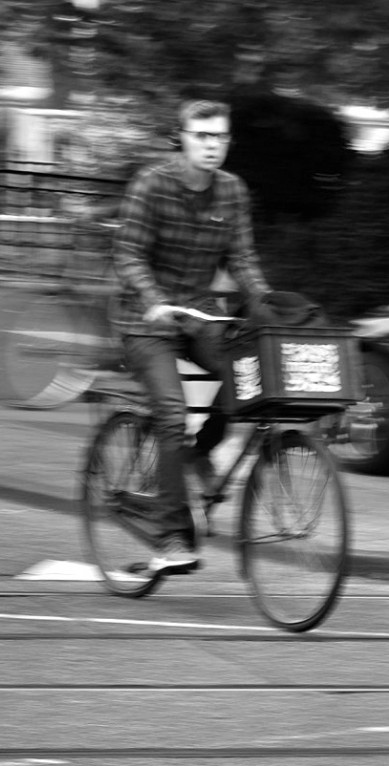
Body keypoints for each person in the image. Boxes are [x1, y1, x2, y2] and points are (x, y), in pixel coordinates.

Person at [111, 99, 273, 573]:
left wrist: (267, 302)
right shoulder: (152, 183)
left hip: (199, 314)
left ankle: (200, 456)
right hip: (145, 318)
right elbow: (128, 253)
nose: (211, 145)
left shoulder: (233, 191)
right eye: (202, 135)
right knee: (171, 413)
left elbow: (241, 259)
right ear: (181, 138)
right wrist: (152, 297)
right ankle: (170, 539)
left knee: (249, 377)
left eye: (219, 136)